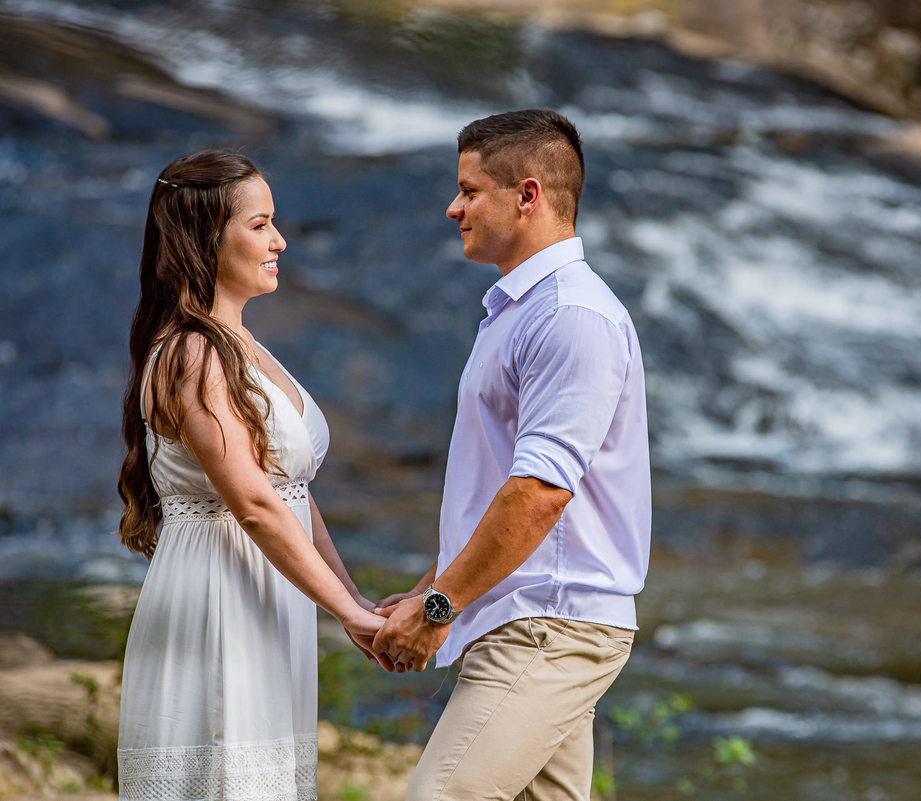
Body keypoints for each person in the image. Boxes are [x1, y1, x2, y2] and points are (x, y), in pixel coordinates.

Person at [372, 109, 652, 801]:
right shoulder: (522, 310)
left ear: (527, 195)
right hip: (530, 616)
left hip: (552, 625)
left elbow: (540, 493)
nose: (453, 206)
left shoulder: (569, 315)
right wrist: (428, 588)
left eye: (470, 189)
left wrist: (439, 607)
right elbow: (500, 482)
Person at [114, 151, 383, 800]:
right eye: (260, 225)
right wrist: (347, 609)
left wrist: (352, 606)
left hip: (270, 599)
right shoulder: (190, 352)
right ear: (208, 238)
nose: (279, 240)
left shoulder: (243, 346)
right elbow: (255, 504)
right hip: (219, 599)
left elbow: (292, 493)